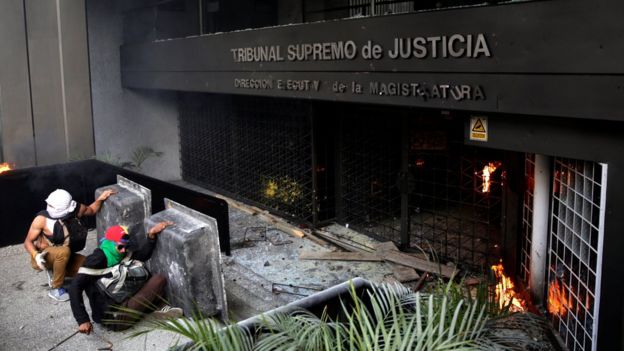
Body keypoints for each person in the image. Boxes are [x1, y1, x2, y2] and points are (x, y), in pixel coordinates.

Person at [69, 221, 182, 334]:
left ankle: (157, 308)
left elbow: (142, 255)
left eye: (125, 247)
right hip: (115, 318)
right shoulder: (97, 259)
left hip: (124, 300)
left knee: (143, 273)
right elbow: (74, 287)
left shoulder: (120, 253)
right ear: (110, 243)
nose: (123, 250)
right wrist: (82, 319)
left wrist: (151, 235)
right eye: (120, 247)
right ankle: (155, 308)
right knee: (158, 281)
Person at [24, 188, 116, 301]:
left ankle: (59, 270)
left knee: (92, 268)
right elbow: (27, 241)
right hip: (44, 258)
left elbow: (91, 209)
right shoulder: (42, 220)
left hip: (66, 256)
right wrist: (36, 255)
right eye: (50, 205)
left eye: (54, 207)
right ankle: (56, 288)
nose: (50, 208)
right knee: (63, 252)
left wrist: (101, 199)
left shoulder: (76, 209)